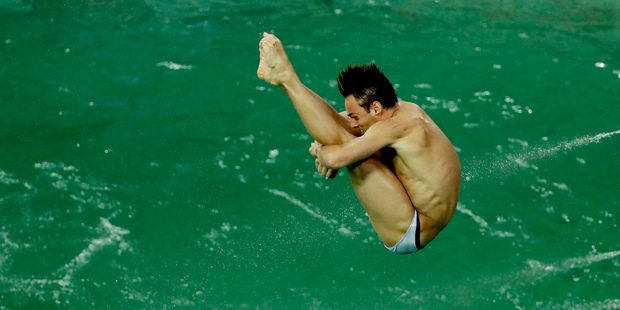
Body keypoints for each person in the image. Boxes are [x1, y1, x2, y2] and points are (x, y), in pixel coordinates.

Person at [257, 33, 461, 254]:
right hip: (417, 206)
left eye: (355, 115)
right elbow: (341, 119)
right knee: (346, 133)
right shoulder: (406, 109)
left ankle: (287, 78)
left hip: (410, 228)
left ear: (375, 107)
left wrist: (323, 150)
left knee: (344, 141)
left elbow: (334, 158)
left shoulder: (394, 128)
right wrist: (330, 140)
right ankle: (285, 80)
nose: (352, 120)